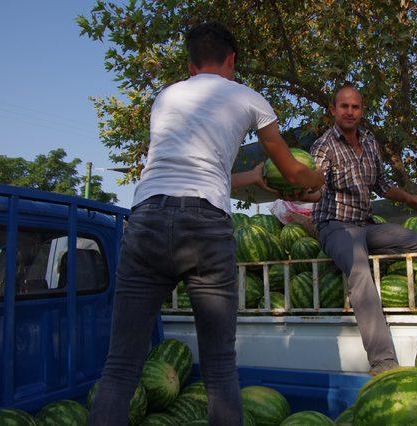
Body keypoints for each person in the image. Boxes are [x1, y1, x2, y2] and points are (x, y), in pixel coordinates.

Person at [88, 22, 324, 426]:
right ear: (231, 60)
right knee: (219, 367)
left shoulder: (166, 97)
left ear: (191, 64)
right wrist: (316, 180)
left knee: (121, 365)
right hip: (205, 226)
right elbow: (291, 169)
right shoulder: (250, 99)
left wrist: (251, 179)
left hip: (147, 219)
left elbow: (191, 170)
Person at [302, 83, 417, 376]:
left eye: (355, 107)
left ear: (362, 110)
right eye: (343, 106)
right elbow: (316, 185)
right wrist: (302, 192)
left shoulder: (370, 143)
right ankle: (383, 362)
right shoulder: (324, 145)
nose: (349, 112)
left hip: (366, 226)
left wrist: (410, 198)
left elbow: (382, 186)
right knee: (359, 271)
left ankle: (357, 253)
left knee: (416, 242)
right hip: (335, 226)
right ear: (333, 110)